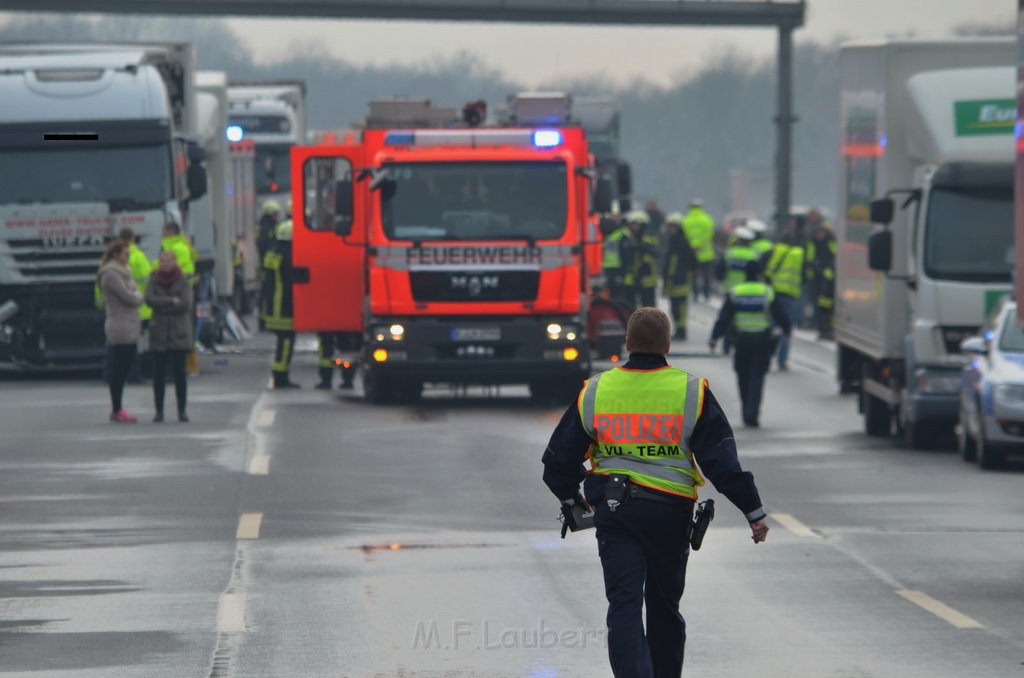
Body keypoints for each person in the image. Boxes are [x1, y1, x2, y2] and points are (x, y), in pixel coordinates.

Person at [542, 307, 769, 677]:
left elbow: (557, 461)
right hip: (669, 514)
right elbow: (720, 460)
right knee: (664, 607)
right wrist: (753, 511)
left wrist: (571, 498)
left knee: (624, 607)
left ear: (627, 343)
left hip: (615, 513)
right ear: (667, 344)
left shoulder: (596, 390)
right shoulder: (691, 391)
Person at [709, 260, 792, 427]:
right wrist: (787, 329)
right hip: (763, 341)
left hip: (741, 341)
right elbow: (781, 315)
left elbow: (724, 318)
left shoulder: (736, 292)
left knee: (742, 376)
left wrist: (714, 338)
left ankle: (745, 409)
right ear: (760, 274)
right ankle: (751, 413)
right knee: (757, 377)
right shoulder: (767, 292)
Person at [97, 241, 143, 423]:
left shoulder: (125, 272)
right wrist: (135, 295)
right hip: (120, 327)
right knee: (119, 369)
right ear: (116, 255)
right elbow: (130, 297)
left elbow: (137, 293)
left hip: (130, 326)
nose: (127, 258)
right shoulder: (110, 274)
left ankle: (118, 408)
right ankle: (116, 409)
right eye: (125, 254)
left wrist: (136, 294)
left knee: (124, 368)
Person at [145, 251, 193, 422]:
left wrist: (161, 305)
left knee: (180, 374)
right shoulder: (153, 279)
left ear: (175, 262)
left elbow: (185, 304)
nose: (165, 264)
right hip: (159, 332)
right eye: (162, 261)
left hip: (178, 332)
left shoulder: (183, 280)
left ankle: (182, 411)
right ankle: (159, 412)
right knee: (158, 375)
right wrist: (171, 300)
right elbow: (149, 299)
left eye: (169, 261)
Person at [262, 218, 300, 388]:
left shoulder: (273, 254)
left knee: (282, 342)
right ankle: (281, 376)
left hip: (272, 305)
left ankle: (280, 374)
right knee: (286, 342)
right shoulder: (288, 256)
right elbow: (293, 281)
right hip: (284, 306)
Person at [765, 231, 805, 371]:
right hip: (790, 296)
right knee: (786, 329)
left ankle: (767, 356)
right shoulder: (799, 254)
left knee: (770, 327)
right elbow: (805, 275)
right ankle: (782, 362)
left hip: (772, 295)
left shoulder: (773, 250)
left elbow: (762, 267)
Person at [662, 212, 698, 340]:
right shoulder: (672, 241)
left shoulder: (682, 242)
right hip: (673, 279)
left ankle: (682, 331)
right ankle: (679, 329)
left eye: (672, 226)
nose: (669, 228)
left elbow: (691, 260)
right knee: (674, 307)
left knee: (680, 307)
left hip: (680, 279)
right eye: (669, 226)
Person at [603, 211, 641, 307]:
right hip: (608, 271)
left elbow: (628, 258)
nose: (614, 219)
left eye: (617, 217)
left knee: (621, 299)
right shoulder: (607, 232)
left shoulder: (624, 234)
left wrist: (622, 274)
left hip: (619, 272)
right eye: (612, 216)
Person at [682, 199, 715, 302]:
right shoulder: (707, 219)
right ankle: (706, 294)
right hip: (706, 254)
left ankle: (695, 294)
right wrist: (700, 245)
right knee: (706, 276)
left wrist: (693, 246)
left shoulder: (686, 219)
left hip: (692, 254)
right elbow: (709, 235)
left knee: (693, 276)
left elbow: (684, 236)